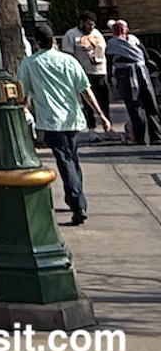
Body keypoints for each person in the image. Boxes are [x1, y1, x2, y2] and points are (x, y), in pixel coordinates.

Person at [19, 24, 111, 225]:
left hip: (51, 121)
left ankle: (77, 202)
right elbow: (85, 89)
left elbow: (22, 93)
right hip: (73, 119)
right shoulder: (68, 61)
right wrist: (101, 114)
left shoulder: (30, 63)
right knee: (72, 158)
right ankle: (76, 197)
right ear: (54, 40)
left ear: (36, 42)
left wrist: (24, 111)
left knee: (65, 161)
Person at [106, 20, 161, 145]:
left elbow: (144, 57)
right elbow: (145, 57)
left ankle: (151, 136)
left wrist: (110, 78)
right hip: (132, 75)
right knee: (139, 106)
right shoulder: (117, 43)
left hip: (135, 74)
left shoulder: (124, 41)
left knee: (144, 105)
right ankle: (147, 136)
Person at [63, 13, 109, 130]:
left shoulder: (97, 33)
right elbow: (68, 55)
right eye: (88, 24)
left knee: (104, 99)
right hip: (83, 72)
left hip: (100, 71)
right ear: (81, 23)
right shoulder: (71, 34)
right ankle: (91, 128)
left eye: (93, 24)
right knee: (88, 101)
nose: (91, 27)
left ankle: (107, 125)